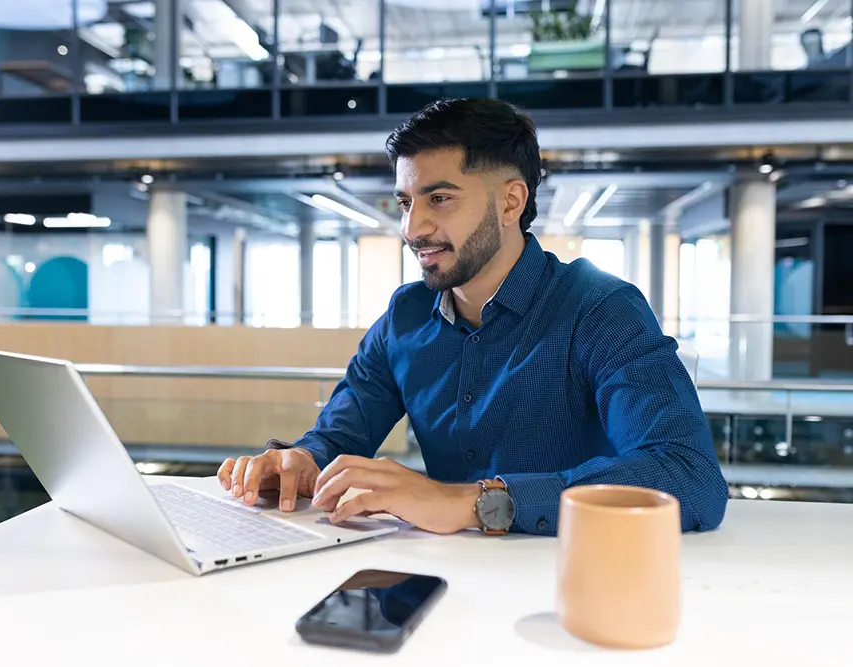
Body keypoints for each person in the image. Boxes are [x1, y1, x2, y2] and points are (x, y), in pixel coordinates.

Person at [217, 98, 728, 536]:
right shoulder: (406, 316)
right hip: (441, 579)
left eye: (439, 198)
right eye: (405, 202)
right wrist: (299, 462)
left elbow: (689, 475)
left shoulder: (599, 308)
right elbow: (339, 436)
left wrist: (472, 503)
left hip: (568, 576)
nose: (413, 228)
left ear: (511, 202)